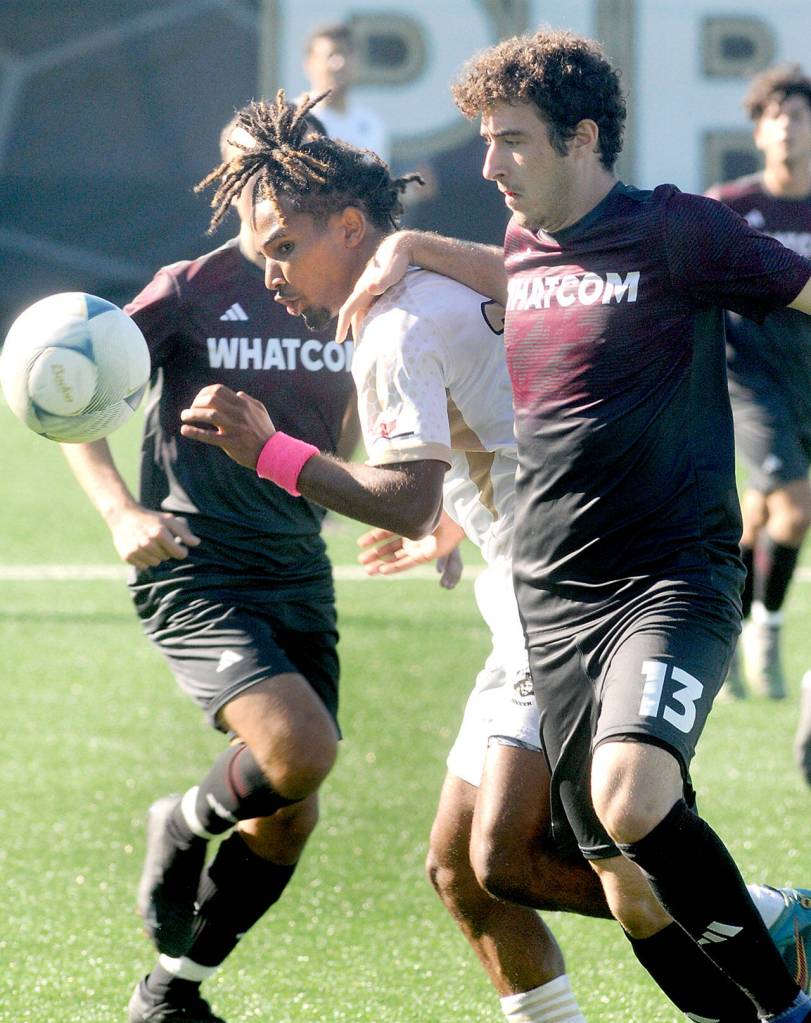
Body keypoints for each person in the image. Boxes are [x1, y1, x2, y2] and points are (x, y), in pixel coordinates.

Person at [182, 92, 811, 1023]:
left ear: (349, 226)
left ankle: (764, 928)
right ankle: (756, 944)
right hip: (536, 580)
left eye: (279, 246)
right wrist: (458, 520)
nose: (266, 271)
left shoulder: (393, 325)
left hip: (571, 595)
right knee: (467, 870)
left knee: (522, 860)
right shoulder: (445, 281)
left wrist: (270, 451)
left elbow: (406, 491)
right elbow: (508, 395)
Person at [61, 109, 358, 1023]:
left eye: (286, 172)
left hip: (297, 565)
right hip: (197, 569)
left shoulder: (335, 286)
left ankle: (170, 993)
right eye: (250, 175)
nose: (268, 190)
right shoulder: (188, 288)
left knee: (290, 810)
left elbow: (351, 415)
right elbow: (76, 392)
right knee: (300, 750)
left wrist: (382, 500)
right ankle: (181, 820)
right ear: (226, 185)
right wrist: (121, 512)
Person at [706, 63, 811, 701]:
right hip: (750, 376)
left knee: (762, 516)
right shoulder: (730, 207)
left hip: (808, 375)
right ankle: (765, 636)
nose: (788, 128)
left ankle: (724, 631)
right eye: (776, 117)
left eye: (799, 116)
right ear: (759, 132)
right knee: (796, 509)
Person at [303, 22, 390, 164]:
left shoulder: (372, 125)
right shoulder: (294, 121)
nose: (339, 63)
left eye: (345, 54)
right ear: (309, 63)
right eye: (331, 55)